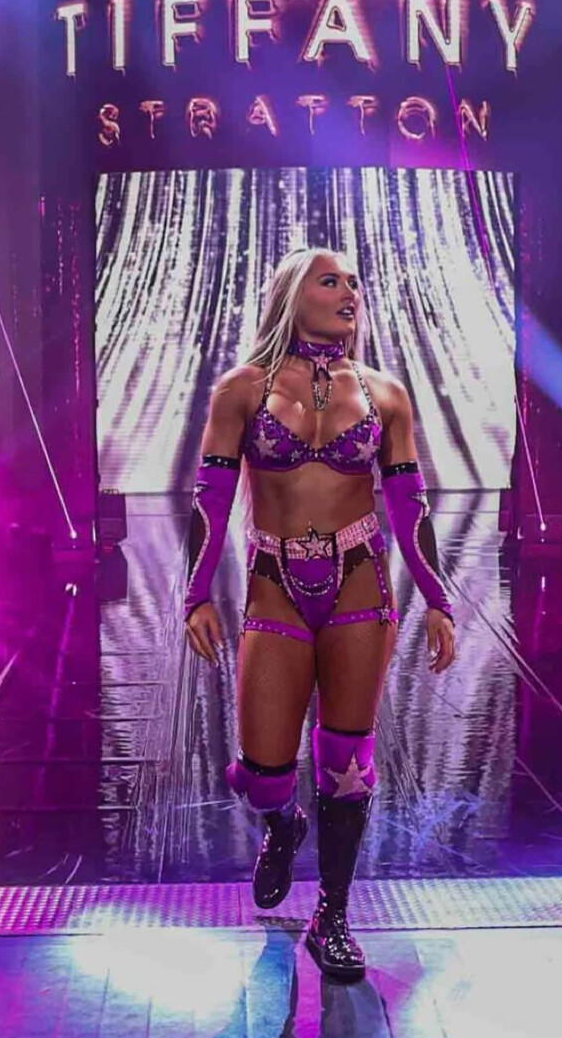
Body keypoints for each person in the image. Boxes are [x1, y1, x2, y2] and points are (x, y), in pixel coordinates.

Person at [184, 248, 456, 982]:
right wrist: (195, 594)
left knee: (347, 762)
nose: (349, 292)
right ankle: (283, 825)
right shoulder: (241, 391)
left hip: (359, 585)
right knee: (263, 771)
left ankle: (332, 917)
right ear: (291, 295)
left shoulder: (385, 394)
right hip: (275, 584)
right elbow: (210, 503)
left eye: (354, 282)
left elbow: (410, 505)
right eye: (330, 280)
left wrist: (438, 601)